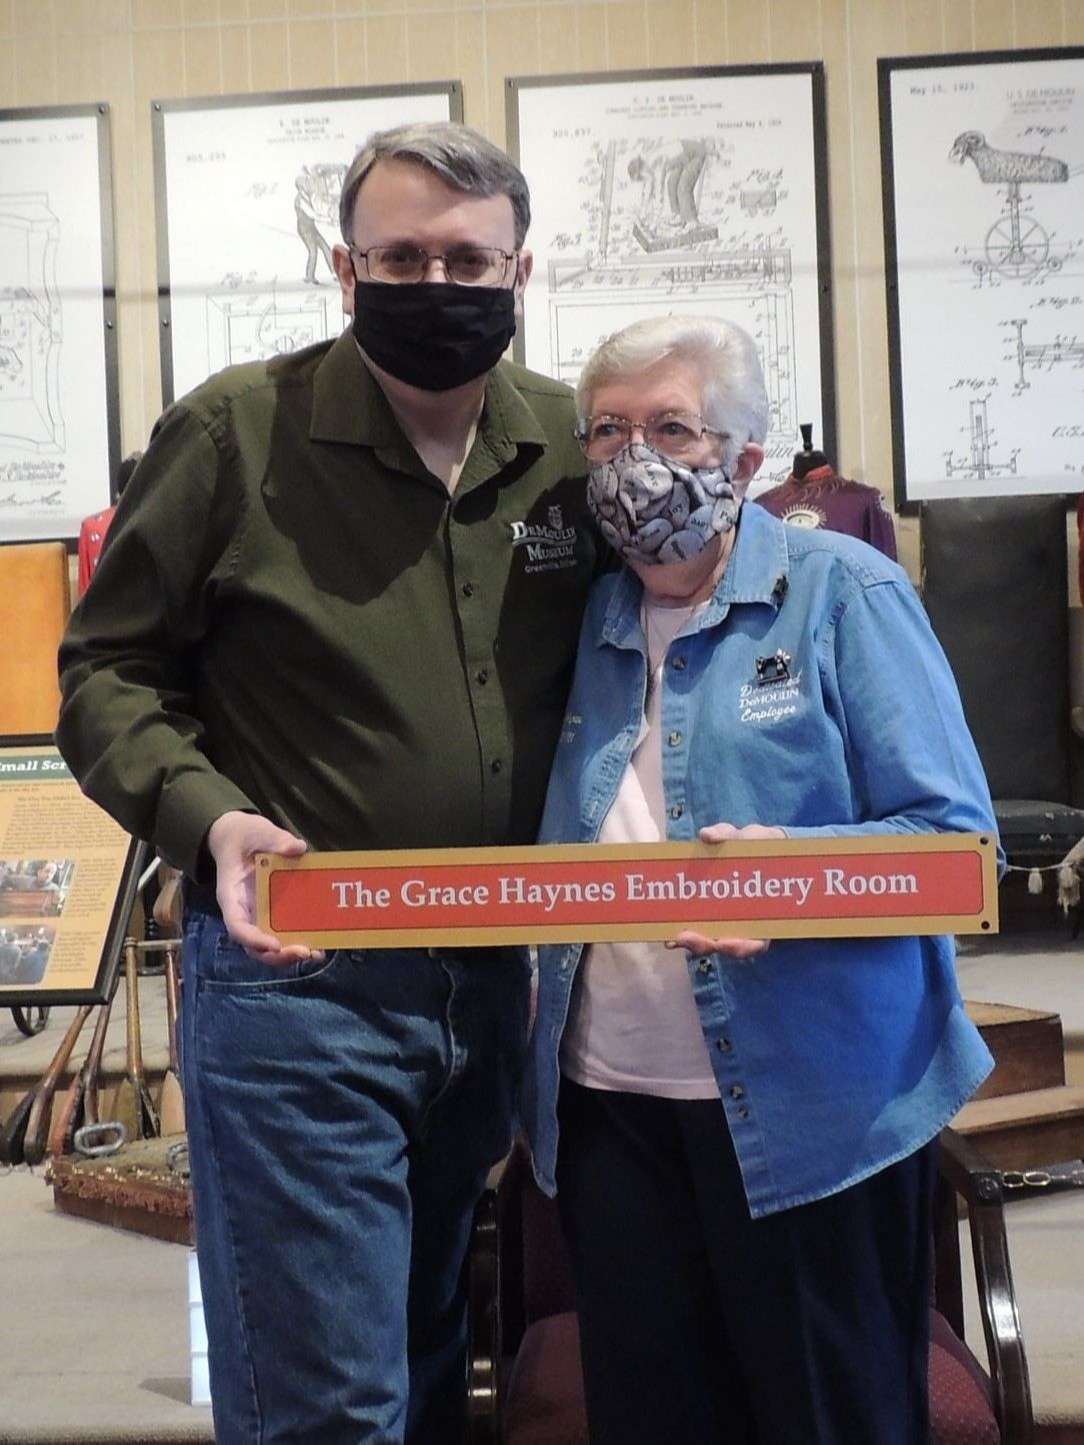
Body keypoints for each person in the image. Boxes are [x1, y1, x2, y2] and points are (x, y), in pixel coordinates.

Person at [56, 121, 603, 1444]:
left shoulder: (568, 443)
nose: (436, 283)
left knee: (423, 1355)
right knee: (328, 1398)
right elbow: (106, 672)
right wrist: (207, 815)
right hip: (301, 981)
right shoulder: (238, 431)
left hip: (498, 978)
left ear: (520, 267)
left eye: (467, 258)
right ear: (347, 271)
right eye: (401, 255)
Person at [520, 314, 999, 1445]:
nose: (634, 457)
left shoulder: (845, 592)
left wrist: (803, 878)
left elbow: (953, 847)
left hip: (812, 1107)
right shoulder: (580, 614)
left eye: (670, 427)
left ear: (746, 459)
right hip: (611, 1111)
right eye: (608, 430)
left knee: (823, 1414)